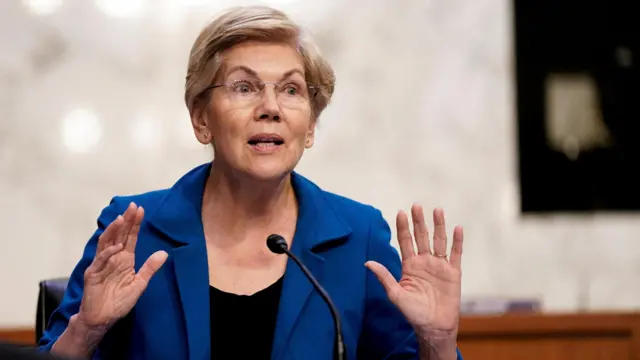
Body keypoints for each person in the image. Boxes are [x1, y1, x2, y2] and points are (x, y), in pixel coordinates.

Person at [38, 5, 465, 360]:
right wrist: (87, 330)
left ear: (311, 126)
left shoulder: (358, 239)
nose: (270, 108)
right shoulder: (136, 231)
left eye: (292, 91)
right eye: (244, 87)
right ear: (201, 119)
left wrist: (439, 342)